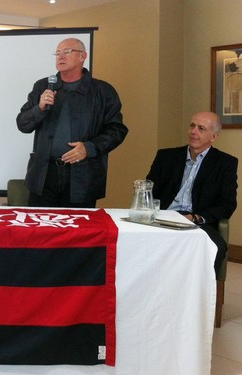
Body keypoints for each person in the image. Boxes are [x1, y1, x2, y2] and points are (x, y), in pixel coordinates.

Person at [16, 38, 128, 208]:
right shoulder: (43, 86)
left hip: (82, 175)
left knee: (78, 230)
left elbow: (117, 130)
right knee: (41, 229)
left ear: (83, 56)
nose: (60, 56)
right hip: (44, 175)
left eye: (67, 52)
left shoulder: (102, 91)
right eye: (57, 53)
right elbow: (22, 124)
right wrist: (39, 108)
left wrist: (89, 148)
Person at [146, 111, 238, 273]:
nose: (193, 131)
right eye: (192, 126)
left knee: (216, 247)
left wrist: (195, 217)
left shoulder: (225, 163)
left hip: (197, 221)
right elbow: (148, 191)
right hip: (163, 217)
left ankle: (202, 296)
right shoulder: (166, 157)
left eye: (201, 128)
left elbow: (227, 204)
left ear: (214, 137)